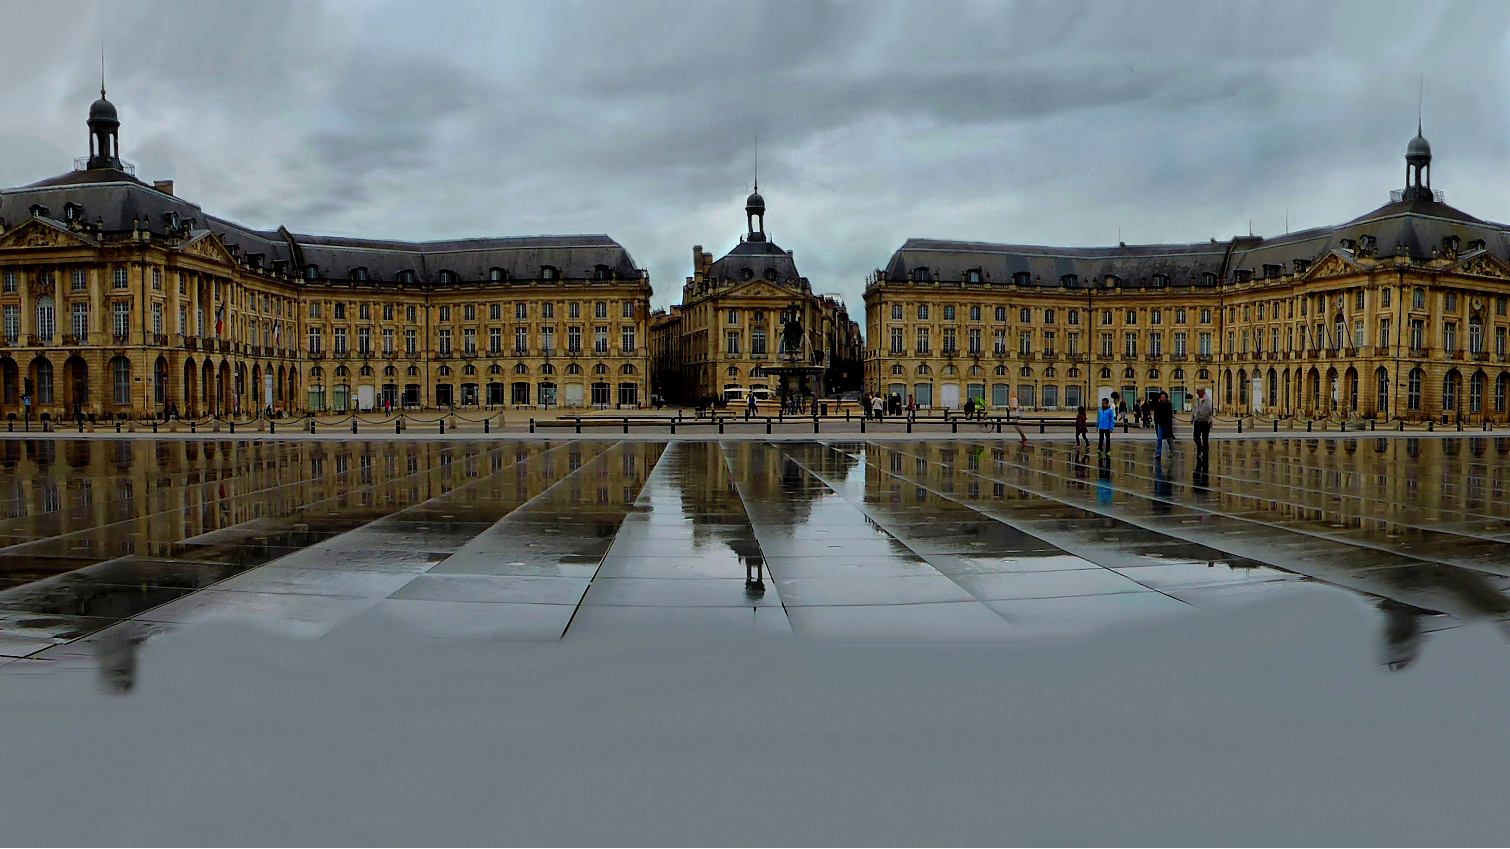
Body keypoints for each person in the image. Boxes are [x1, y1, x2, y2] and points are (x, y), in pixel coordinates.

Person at [1190, 386, 1214, 459]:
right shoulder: (1196, 399)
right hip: (1197, 421)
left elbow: (1212, 411)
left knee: (1205, 438)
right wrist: (1192, 418)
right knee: (1196, 437)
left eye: (1198, 391)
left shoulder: (1208, 400)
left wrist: (1210, 420)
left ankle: (1205, 452)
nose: (1197, 392)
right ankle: (1200, 449)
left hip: (1205, 421)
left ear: (1202, 392)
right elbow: (1194, 409)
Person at [1152, 391, 1175, 459]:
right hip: (1160, 424)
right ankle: (1158, 454)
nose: (1162, 398)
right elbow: (1156, 415)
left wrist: (1170, 425)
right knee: (1159, 439)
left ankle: (1172, 452)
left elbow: (1170, 416)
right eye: (1161, 397)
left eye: (1163, 397)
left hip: (1166, 424)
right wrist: (1156, 423)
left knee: (1169, 438)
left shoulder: (1168, 405)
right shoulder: (1157, 405)